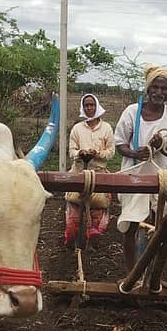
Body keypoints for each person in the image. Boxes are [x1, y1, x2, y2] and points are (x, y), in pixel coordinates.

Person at [114, 65, 167, 274]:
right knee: (131, 228)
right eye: (156, 87)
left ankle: (154, 276)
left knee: (161, 230)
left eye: (164, 89)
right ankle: (131, 274)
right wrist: (136, 154)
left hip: (160, 178)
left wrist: (162, 144)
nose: (159, 92)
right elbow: (119, 144)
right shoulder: (132, 112)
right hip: (134, 178)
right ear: (148, 88)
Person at [63, 93, 115, 246]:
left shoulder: (106, 128)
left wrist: (97, 153)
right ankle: (74, 243)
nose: (89, 108)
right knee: (74, 210)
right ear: (83, 107)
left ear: (96, 106)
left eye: (92, 105)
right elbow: (72, 151)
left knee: (98, 212)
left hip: (98, 175)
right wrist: (80, 153)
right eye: (86, 105)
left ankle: (92, 244)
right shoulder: (77, 129)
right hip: (79, 174)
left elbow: (111, 152)